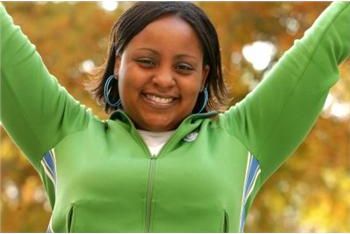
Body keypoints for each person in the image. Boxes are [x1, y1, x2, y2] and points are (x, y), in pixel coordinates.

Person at [0, 2, 349, 232]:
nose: (164, 79)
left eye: (183, 67)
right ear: (118, 62)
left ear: (203, 76)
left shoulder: (243, 140)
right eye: (147, 61)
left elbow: (326, 41)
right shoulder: (64, 132)